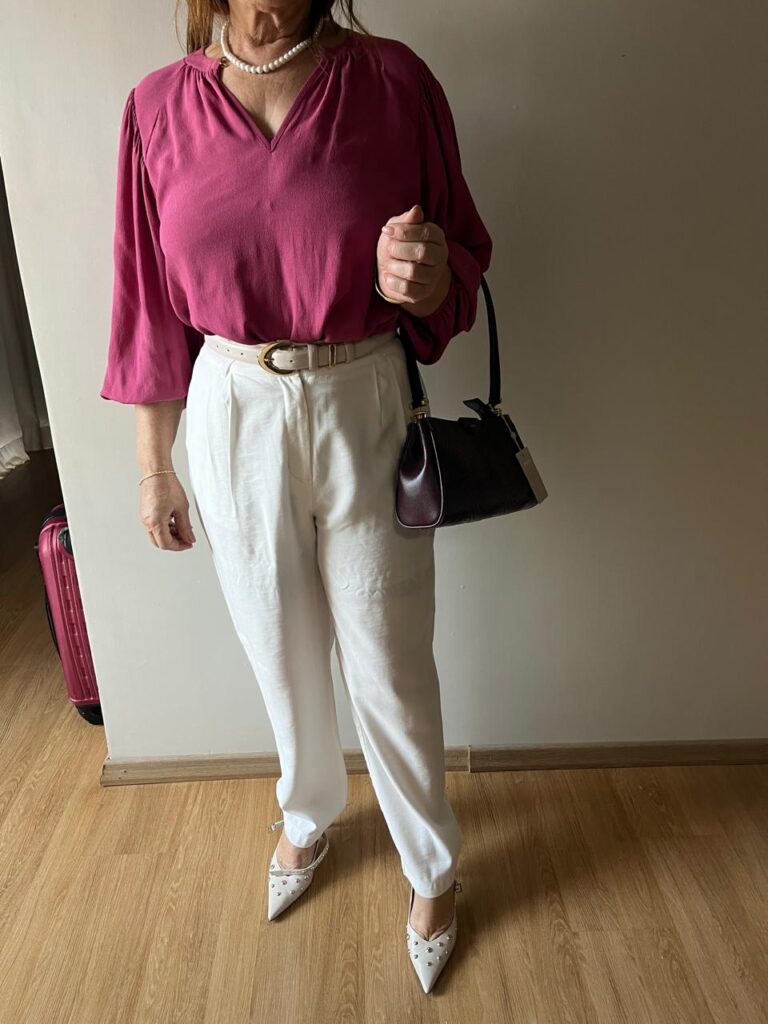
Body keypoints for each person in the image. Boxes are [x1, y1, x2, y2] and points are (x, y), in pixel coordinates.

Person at [100, 0, 492, 994]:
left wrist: (427, 278)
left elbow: (461, 257)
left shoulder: (394, 83)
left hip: (364, 390)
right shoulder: (157, 109)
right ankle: (309, 812)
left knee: (389, 658)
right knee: (277, 644)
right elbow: (145, 307)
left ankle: (431, 866)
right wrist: (154, 466)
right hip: (231, 401)